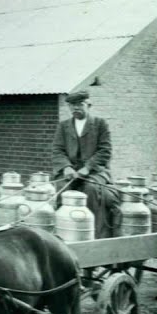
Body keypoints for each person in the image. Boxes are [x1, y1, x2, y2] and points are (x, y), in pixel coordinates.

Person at [51, 90, 117, 238]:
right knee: (61, 189)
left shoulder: (100, 124)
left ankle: (94, 234)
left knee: (91, 190)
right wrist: (66, 167)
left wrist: (88, 168)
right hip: (70, 172)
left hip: (96, 171)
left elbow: (105, 150)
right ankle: (62, 233)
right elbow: (57, 150)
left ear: (88, 105)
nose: (76, 108)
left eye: (80, 104)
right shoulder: (63, 126)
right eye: (72, 105)